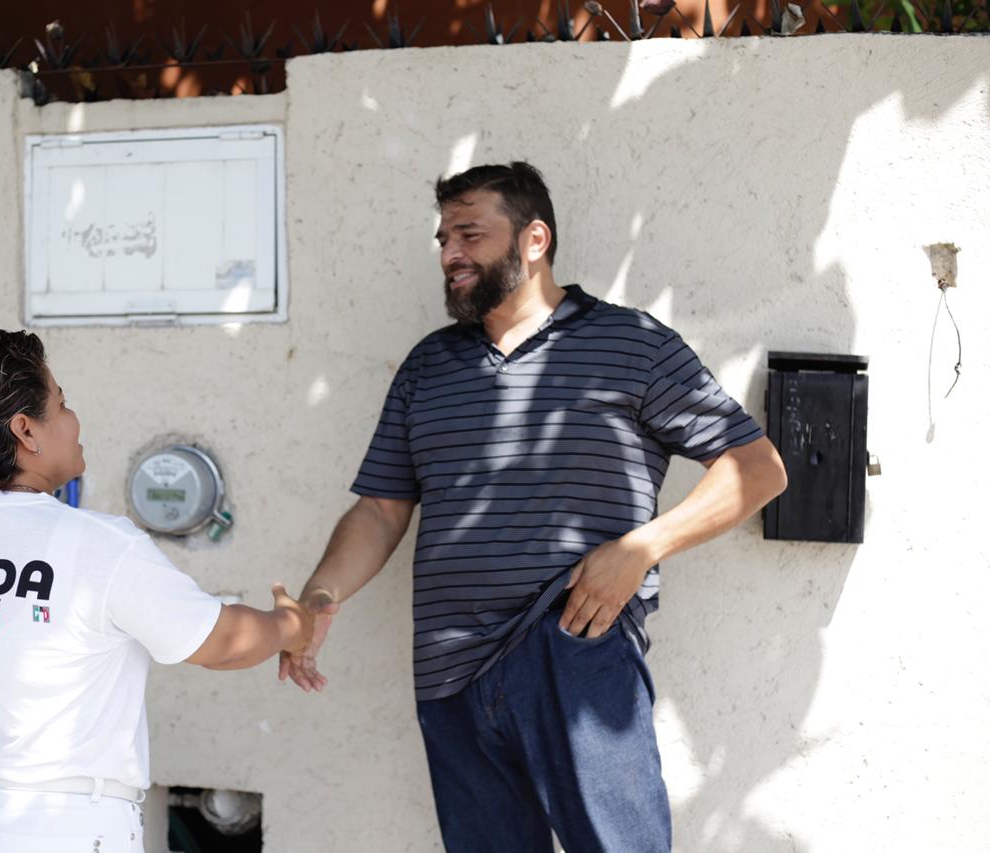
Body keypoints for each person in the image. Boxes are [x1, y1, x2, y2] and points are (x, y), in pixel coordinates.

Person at [280, 162, 788, 852]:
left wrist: (641, 548)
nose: (451, 254)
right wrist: (321, 594)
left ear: (534, 239)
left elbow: (756, 469)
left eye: (470, 234)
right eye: (444, 239)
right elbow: (380, 510)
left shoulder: (631, 344)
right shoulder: (428, 367)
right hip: (449, 668)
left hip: (575, 650)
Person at [0, 329, 316, 853]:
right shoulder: (99, 547)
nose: (73, 419)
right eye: (61, 404)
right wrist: (293, 624)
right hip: (68, 827)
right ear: (26, 431)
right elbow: (222, 642)